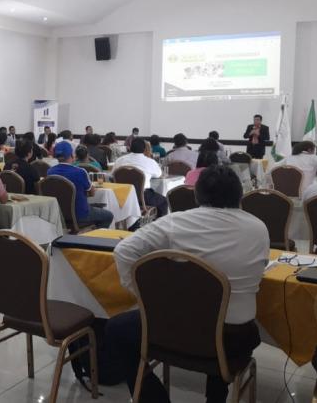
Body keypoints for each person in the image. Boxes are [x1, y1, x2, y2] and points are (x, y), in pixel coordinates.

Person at [110, 166, 269, 403]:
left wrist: (143, 297)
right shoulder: (259, 228)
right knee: (222, 324)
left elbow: (123, 251)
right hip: (235, 338)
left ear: (197, 195)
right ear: (239, 195)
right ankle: (216, 397)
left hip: (176, 330)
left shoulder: (175, 223)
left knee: (116, 329)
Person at [48, 142, 113, 229]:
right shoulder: (80, 172)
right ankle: (94, 239)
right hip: (80, 214)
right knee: (108, 216)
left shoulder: (50, 172)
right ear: (72, 155)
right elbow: (92, 193)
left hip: (58, 214)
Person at [112, 138, 168, 217]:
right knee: (163, 201)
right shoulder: (150, 162)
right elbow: (159, 174)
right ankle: (157, 225)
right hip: (143, 197)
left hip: (122, 196)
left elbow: (113, 174)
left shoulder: (120, 160)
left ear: (130, 147)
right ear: (145, 149)